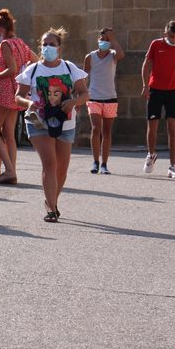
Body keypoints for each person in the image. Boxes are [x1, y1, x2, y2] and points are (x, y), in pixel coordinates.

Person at [16, 28, 89, 222]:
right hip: (38, 122)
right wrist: (29, 103)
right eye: (44, 44)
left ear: (59, 47)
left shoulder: (69, 67)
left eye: (52, 44)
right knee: (50, 163)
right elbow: (18, 96)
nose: (47, 47)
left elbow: (84, 94)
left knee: (62, 169)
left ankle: (51, 201)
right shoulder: (32, 70)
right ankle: (51, 209)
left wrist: (73, 102)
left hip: (65, 123)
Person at [0, 8, 36, 184]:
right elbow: (35, 59)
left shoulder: (5, 44)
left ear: (1, 29)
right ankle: (11, 170)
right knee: (9, 134)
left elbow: (11, 69)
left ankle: (10, 171)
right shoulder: (20, 42)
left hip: (5, 90)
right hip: (16, 90)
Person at [141, 20, 175, 179]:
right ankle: (151, 155)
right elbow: (146, 64)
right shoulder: (156, 44)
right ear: (165, 34)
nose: (173, 39)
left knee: (172, 127)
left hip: (172, 91)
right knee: (152, 125)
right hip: (155, 90)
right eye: (171, 36)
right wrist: (145, 86)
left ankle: (173, 166)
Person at [84, 27, 124, 175]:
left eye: (106, 40)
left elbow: (121, 54)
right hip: (94, 97)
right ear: (97, 40)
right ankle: (95, 161)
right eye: (102, 39)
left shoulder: (113, 55)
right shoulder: (90, 57)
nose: (104, 42)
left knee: (107, 131)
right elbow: (84, 76)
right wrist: (79, 96)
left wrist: (112, 40)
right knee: (96, 128)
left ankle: (104, 164)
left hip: (110, 98)